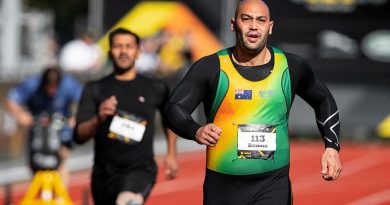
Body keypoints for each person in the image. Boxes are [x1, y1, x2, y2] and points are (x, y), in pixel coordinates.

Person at [165, 0, 342, 204]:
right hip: (222, 187)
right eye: (246, 19)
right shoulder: (211, 67)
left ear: (270, 26)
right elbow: (174, 107)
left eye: (261, 20)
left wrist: (332, 147)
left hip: (272, 183)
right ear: (234, 24)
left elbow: (323, 100)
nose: (253, 26)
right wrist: (195, 130)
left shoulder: (291, 68)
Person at [73, 27, 179, 205]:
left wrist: (171, 153)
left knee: (126, 202)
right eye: (118, 46)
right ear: (110, 52)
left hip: (140, 169)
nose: (123, 51)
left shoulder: (155, 88)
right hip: (104, 174)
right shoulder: (95, 89)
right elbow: (79, 135)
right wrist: (98, 118)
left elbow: (170, 120)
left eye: (129, 46)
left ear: (138, 52)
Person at [6, 67, 83, 186]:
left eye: (54, 87)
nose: (51, 91)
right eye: (49, 87)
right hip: (38, 131)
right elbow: (12, 99)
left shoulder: (68, 84)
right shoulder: (32, 84)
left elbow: (85, 99)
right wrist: (20, 114)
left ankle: (60, 199)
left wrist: (76, 117)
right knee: (36, 164)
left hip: (61, 130)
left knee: (60, 161)